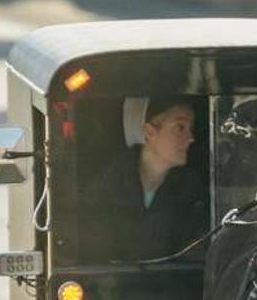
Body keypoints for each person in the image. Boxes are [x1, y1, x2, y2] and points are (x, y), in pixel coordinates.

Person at [88, 95, 208, 263]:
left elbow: (195, 256)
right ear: (149, 132)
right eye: (180, 127)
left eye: (191, 128)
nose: (190, 137)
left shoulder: (194, 191)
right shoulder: (107, 186)